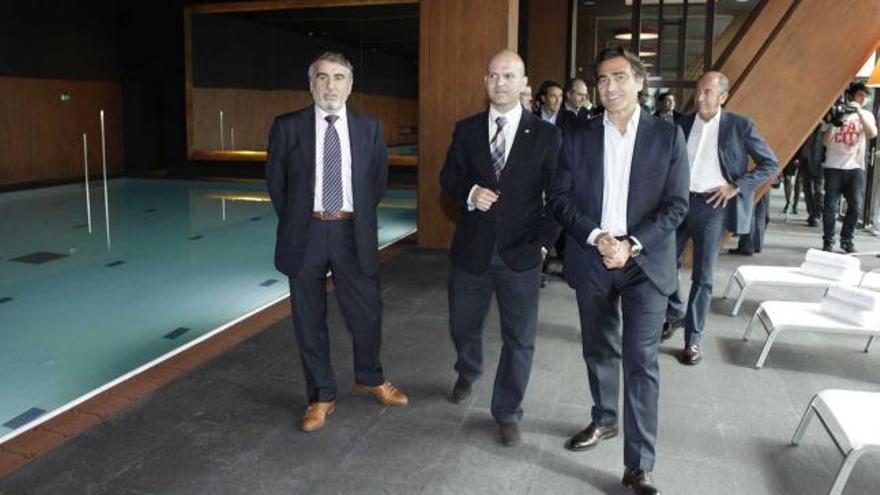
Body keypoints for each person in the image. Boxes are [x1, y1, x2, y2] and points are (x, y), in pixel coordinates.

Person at [550, 46, 689, 495]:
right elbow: (561, 198)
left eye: (619, 78)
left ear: (639, 82)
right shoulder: (577, 134)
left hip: (645, 264)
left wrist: (631, 244)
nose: (609, 87)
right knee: (598, 347)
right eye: (602, 80)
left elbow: (676, 205)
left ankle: (639, 464)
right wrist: (597, 238)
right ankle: (605, 420)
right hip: (592, 258)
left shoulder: (667, 136)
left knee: (642, 359)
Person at [266, 51, 409, 433]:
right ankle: (321, 395)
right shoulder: (287, 127)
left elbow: (376, 182)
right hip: (306, 233)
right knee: (309, 321)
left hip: (352, 232)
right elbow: (276, 185)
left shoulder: (370, 127)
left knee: (367, 313)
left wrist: (350, 215)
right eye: (323, 77)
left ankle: (370, 376)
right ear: (311, 83)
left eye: (339, 77)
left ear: (351, 84)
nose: (331, 85)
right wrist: (301, 219)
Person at [441, 49, 561, 447]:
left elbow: (558, 197)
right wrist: (471, 191)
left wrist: (542, 248)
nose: (500, 83)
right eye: (492, 75)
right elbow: (448, 178)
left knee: (520, 338)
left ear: (525, 83)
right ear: (485, 81)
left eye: (509, 75)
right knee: (462, 323)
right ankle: (468, 368)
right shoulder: (466, 129)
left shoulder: (546, 134)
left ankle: (507, 411)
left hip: (521, 255)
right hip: (471, 251)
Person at [663, 71, 778, 364]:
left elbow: (770, 164)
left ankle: (693, 340)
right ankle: (676, 312)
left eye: (708, 93)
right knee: (663, 265)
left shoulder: (739, 125)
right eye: (698, 92)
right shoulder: (681, 123)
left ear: (723, 96)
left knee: (703, 276)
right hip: (679, 204)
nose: (700, 98)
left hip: (713, 208)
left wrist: (736, 186)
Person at [821, 82, 878, 252]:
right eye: (860, 95)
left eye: (865, 96)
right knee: (830, 205)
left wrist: (859, 112)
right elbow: (824, 141)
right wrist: (834, 121)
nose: (863, 99)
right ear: (851, 96)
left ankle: (847, 240)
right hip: (833, 166)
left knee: (856, 206)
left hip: (855, 167)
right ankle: (828, 240)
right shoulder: (836, 111)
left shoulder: (866, 114)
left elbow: (872, 134)